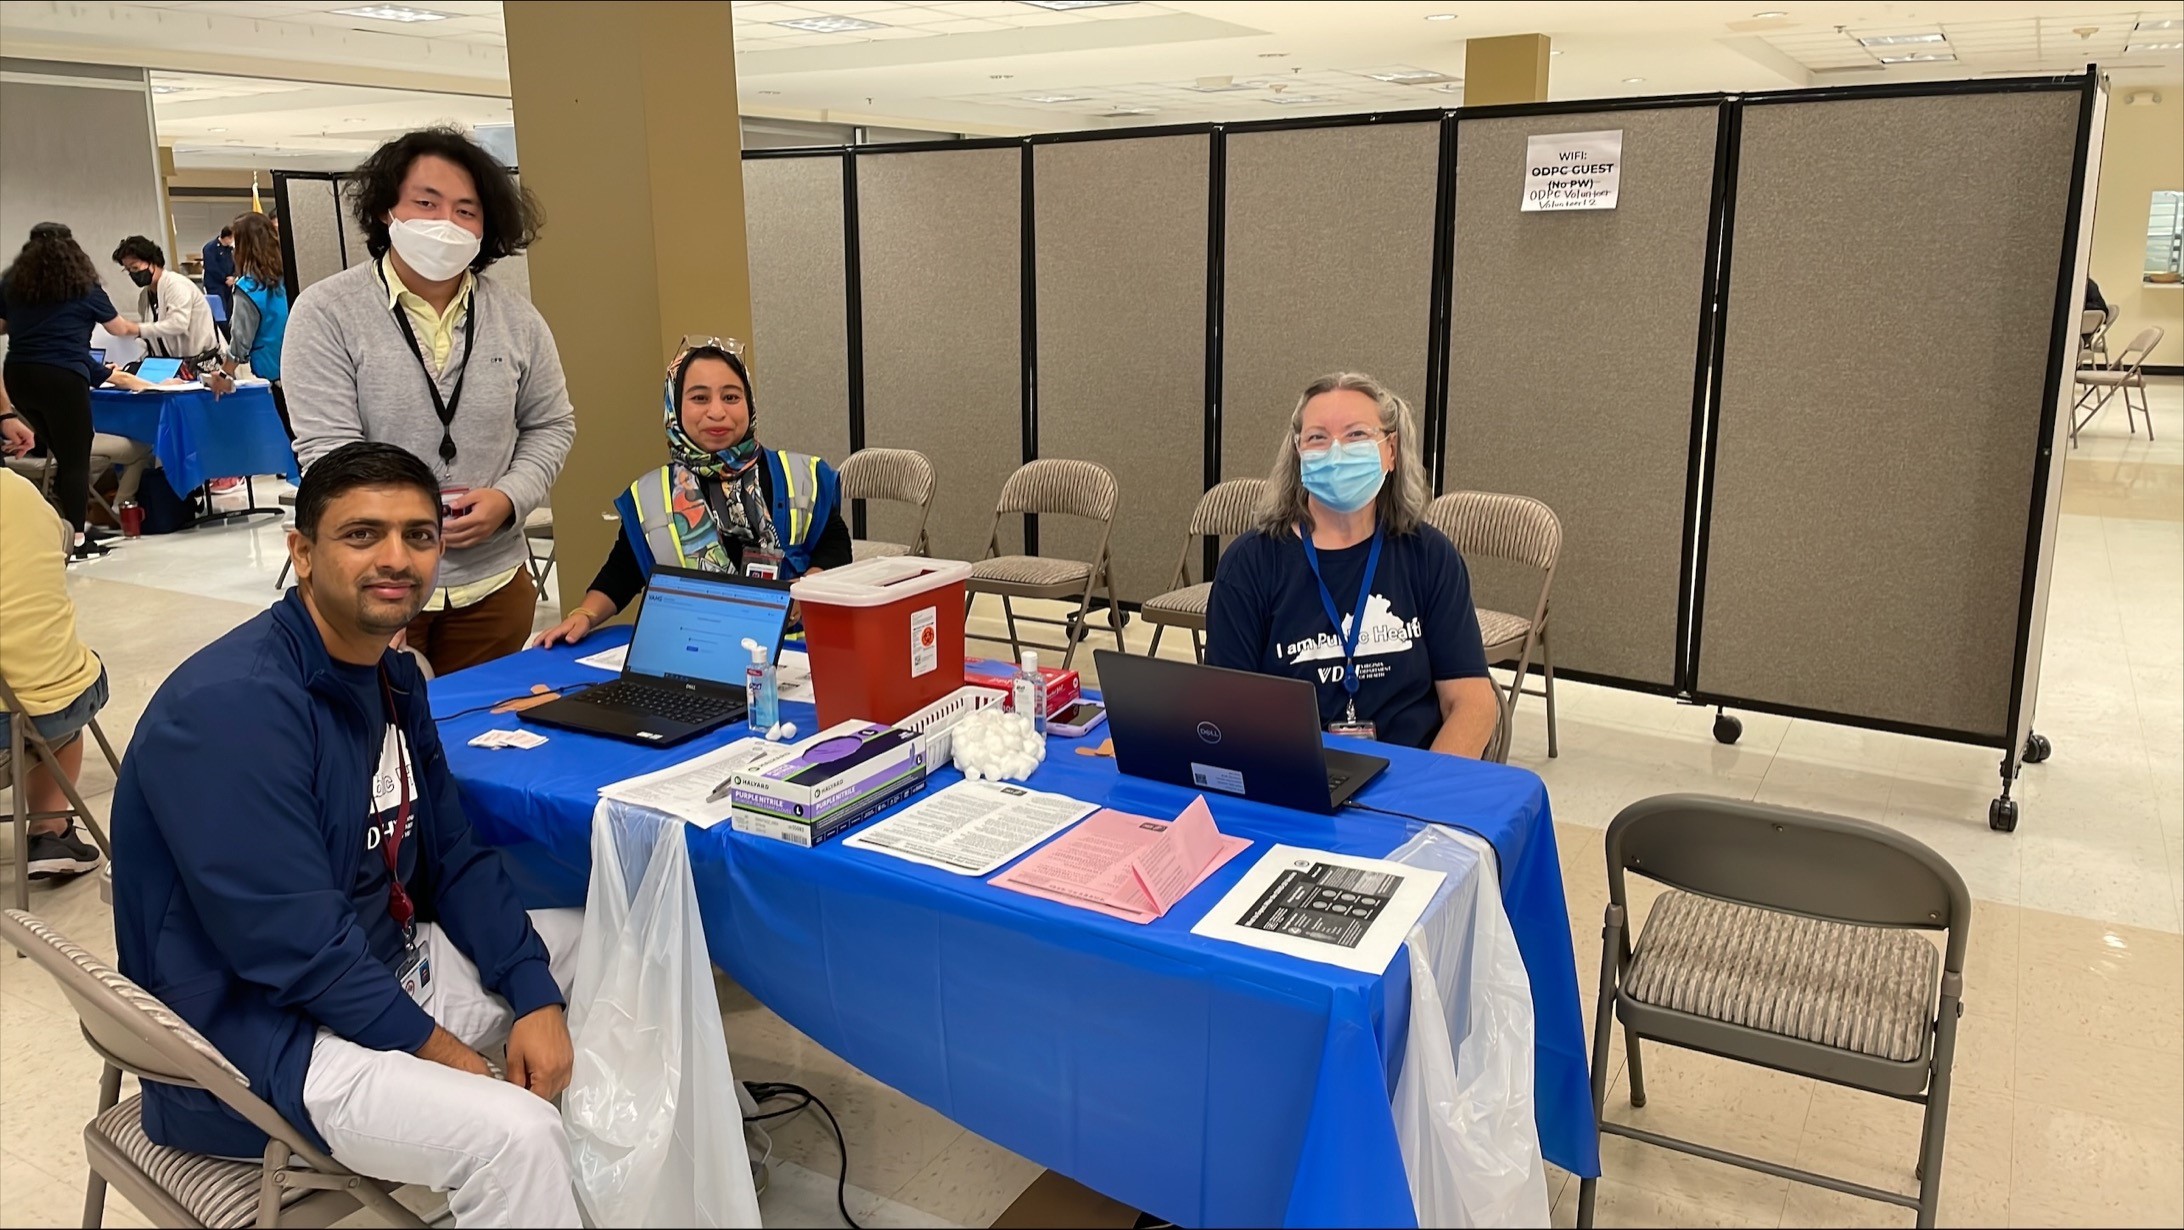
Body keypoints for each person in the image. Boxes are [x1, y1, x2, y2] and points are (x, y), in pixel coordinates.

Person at [111, 442, 583, 1228]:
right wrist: (459, 1063)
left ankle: (616, 1190)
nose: (395, 559)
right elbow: (298, 951)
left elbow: (457, 859)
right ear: (302, 553)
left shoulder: (389, 678)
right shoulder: (234, 710)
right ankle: (545, 1177)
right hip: (259, 1046)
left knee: (617, 942)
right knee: (517, 1135)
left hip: (378, 972)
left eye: (419, 535)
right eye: (362, 535)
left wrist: (533, 995)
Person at [285, 126, 575, 676]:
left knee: (479, 742)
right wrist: (403, 533)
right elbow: (328, 450)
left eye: (466, 210)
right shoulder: (326, 312)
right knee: (377, 749)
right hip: (373, 582)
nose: (446, 222)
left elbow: (551, 424)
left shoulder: (518, 320)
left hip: (493, 585)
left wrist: (510, 498)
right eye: (426, 203)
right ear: (385, 211)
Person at [1206, 372, 1500, 757]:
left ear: (1390, 450)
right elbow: (1227, 712)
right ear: (1299, 454)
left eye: (1357, 435)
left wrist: (1419, 798)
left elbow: (1473, 703)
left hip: (1410, 778)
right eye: (1317, 438)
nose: (1336, 451)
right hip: (1291, 777)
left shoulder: (1430, 556)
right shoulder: (1249, 566)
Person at [533, 339, 849, 647]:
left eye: (731, 397)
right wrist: (584, 615)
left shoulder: (801, 475)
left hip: (799, 653)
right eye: (699, 398)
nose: (717, 412)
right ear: (674, 406)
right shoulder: (652, 494)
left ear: (749, 403)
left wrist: (809, 586)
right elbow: (622, 572)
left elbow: (834, 545)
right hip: (700, 653)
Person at [0, 222, 144, 557]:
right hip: (64, 376)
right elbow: (119, 328)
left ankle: (46, 524)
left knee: (52, 450)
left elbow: (4, 326)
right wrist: (156, 327)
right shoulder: (83, 286)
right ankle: (77, 539)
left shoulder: (12, 283)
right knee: (74, 459)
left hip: (19, 376)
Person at [0, 468, 109, 878]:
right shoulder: (19, 491)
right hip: (38, 711)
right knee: (64, 677)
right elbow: (62, 539)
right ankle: (49, 828)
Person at [224, 213, 292, 436]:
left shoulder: (249, 287)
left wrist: (225, 374)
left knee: (296, 441)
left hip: (277, 370)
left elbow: (241, 339)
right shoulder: (292, 272)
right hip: (308, 364)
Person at [112, 235, 220, 364]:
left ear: (152, 262)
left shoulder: (176, 285)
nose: (132, 274)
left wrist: (136, 329)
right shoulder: (145, 296)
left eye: (135, 267)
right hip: (169, 363)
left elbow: (178, 324)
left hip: (200, 362)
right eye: (128, 270)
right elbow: (153, 335)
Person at [201, 224, 236, 331]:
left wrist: (233, 277)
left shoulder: (229, 250)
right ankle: (224, 334)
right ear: (227, 237)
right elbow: (212, 267)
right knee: (220, 314)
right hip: (215, 285)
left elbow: (234, 264)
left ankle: (230, 333)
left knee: (230, 311)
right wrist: (225, 278)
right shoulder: (210, 248)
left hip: (228, 286)